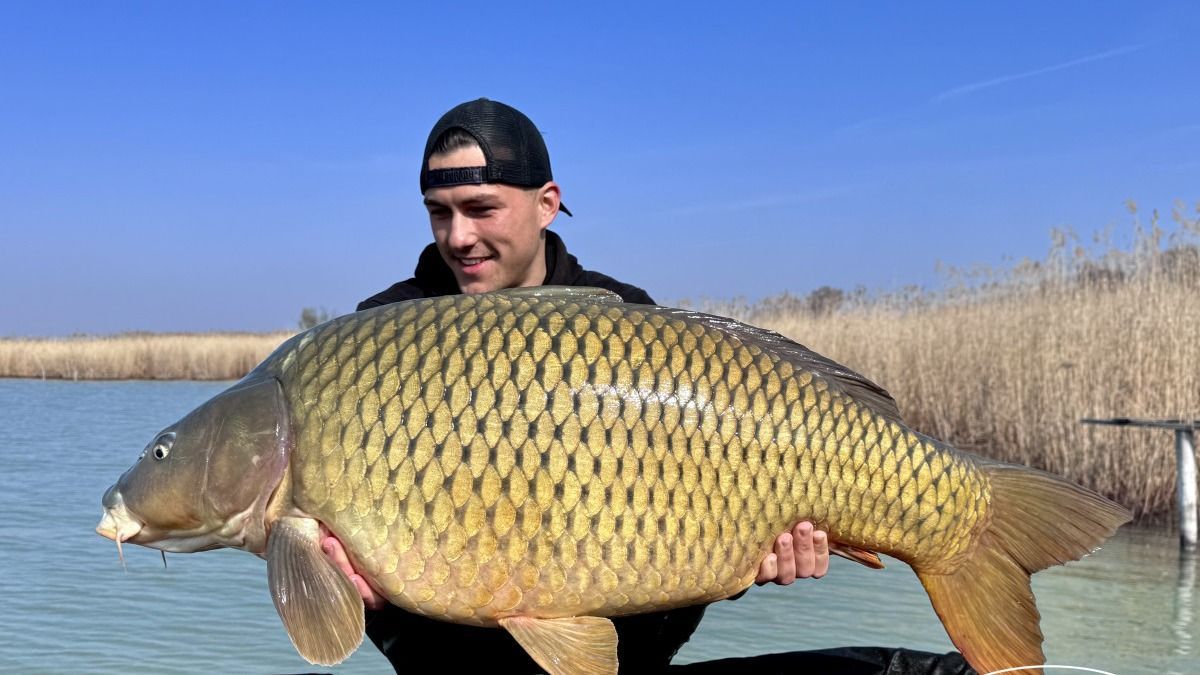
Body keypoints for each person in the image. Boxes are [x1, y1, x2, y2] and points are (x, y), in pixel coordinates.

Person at [321, 98, 833, 674]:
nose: (459, 236)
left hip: (628, 653)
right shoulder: (381, 335)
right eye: (439, 212)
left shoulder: (627, 319)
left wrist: (746, 563)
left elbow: (687, 525)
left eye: (481, 208)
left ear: (546, 205)